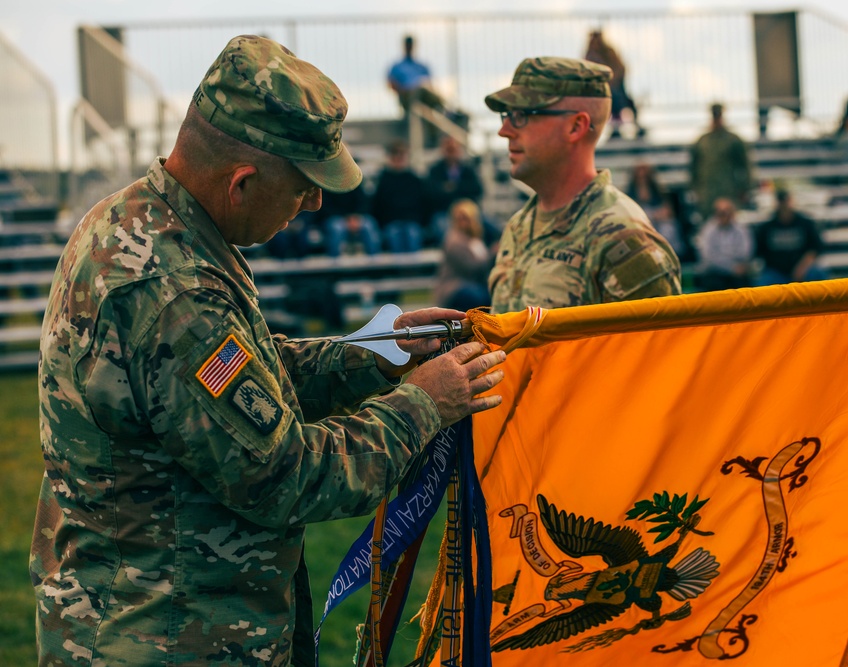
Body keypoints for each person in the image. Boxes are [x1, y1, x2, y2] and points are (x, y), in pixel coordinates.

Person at [31, 34, 507, 666]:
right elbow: (286, 477)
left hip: (149, 621)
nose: (314, 202)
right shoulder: (175, 293)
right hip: (170, 639)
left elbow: (251, 377)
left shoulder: (148, 224)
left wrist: (374, 352)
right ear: (243, 181)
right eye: (304, 185)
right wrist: (424, 404)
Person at [484, 56, 681, 314]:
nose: (505, 130)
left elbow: (661, 352)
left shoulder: (622, 238)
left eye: (522, 115)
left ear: (576, 126)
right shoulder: (519, 226)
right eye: (506, 115)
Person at [689, 102, 753, 221]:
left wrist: (745, 189)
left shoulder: (733, 140)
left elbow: (745, 166)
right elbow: (693, 168)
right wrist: (695, 190)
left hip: (728, 191)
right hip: (707, 193)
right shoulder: (702, 141)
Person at [753, 189, 829, 285]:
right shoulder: (767, 227)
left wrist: (802, 267)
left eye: (786, 201)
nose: (784, 205)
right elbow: (759, 252)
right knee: (763, 283)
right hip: (776, 272)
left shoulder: (805, 223)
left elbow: (815, 248)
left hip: (803, 269)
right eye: (781, 202)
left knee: (818, 275)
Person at [434, 199, 494, 312]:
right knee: (479, 297)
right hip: (454, 286)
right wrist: (493, 254)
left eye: (465, 218)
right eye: (459, 218)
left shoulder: (475, 237)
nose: (462, 222)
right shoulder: (453, 240)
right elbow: (470, 268)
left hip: (473, 283)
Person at [583, 29, 645, 139]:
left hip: (616, 87)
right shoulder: (591, 54)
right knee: (613, 100)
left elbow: (620, 68)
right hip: (601, 89)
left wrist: (613, 79)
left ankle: (631, 127)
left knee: (622, 101)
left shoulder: (609, 52)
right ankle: (615, 129)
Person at [371, 139, 430, 252]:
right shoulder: (382, 180)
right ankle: (397, 269)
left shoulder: (415, 180)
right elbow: (377, 206)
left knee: (412, 234)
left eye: (402, 154)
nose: (398, 157)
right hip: (390, 222)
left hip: (412, 221)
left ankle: (413, 269)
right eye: (395, 154)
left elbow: (424, 204)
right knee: (394, 235)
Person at [424, 134, 484, 244]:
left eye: (453, 149)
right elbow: (431, 193)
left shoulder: (468, 169)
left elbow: (478, 189)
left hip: (466, 211)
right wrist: (460, 188)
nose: (451, 153)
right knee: (444, 230)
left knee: (488, 225)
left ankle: (477, 253)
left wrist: (451, 187)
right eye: (448, 149)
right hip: (444, 212)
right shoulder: (435, 170)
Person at [695, 197, 754, 291]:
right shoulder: (707, 231)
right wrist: (730, 267)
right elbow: (708, 257)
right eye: (721, 213)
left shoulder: (742, 230)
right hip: (715, 273)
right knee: (712, 281)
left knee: (744, 281)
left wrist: (732, 264)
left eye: (727, 212)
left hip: (737, 273)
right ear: (715, 214)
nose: (724, 215)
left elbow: (745, 253)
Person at [387, 34, 444, 116]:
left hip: (425, 95)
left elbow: (430, 84)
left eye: (411, 45)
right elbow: (391, 84)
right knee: (422, 88)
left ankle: (446, 110)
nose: (409, 47)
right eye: (408, 45)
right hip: (408, 95)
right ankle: (445, 111)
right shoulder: (397, 67)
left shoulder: (422, 66)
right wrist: (404, 91)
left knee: (427, 88)